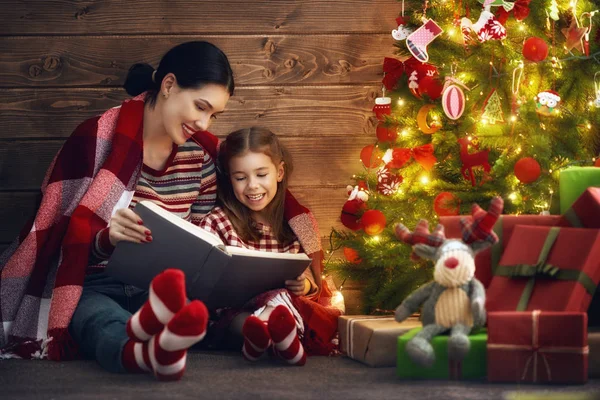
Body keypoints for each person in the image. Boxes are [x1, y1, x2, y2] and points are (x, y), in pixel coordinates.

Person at [0, 41, 323, 381]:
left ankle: (161, 339)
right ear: (168, 85)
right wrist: (107, 238)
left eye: (213, 115)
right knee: (100, 321)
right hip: (92, 283)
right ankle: (139, 351)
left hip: (157, 287)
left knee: (197, 315)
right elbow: (56, 235)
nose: (204, 123)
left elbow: (205, 236)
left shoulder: (202, 158)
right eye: (200, 107)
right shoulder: (96, 138)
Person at [199, 127, 343, 366]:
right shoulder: (217, 221)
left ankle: (271, 335)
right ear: (230, 178)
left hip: (283, 305)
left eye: (261, 175)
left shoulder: (295, 225)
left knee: (282, 299)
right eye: (241, 178)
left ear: (279, 172)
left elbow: (309, 274)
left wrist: (305, 284)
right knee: (233, 318)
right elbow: (203, 275)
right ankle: (268, 336)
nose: (252, 186)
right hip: (233, 312)